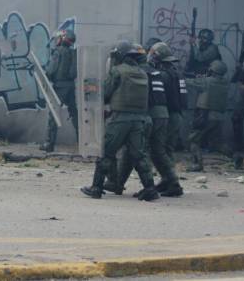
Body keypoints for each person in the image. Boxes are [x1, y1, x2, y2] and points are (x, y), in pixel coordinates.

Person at [80, 41, 159, 201]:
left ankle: (96, 187)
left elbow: (106, 93)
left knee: (106, 152)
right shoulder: (142, 73)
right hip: (139, 120)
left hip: (120, 119)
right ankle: (150, 188)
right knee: (139, 155)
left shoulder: (117, 71)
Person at [106, 43, 183, 197]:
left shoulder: (138, 71)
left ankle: (123, 184)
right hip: (164, 114)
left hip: (148, 114)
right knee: (155, 151)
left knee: (135, 150)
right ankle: (170, 182)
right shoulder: (159, 72)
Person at [185, 60, 230, 172]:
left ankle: (197, 164)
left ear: (213, 71)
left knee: (193, 139)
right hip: (218, 117)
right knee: (217, 143)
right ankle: (236, 157)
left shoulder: (206, 81)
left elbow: (189, 82)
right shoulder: (225, 82)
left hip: (205, 115)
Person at [41, 29, 78, 152]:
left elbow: (51, 70)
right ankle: (81, 141)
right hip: (70, 87)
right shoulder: (73, 53)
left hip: (59, 87)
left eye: (59, 38)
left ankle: (49, 144)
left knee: (53, 115)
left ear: (63, 38)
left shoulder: (58, 52)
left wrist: (45, 73)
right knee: (75, 114)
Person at [154, 42, 188, 169]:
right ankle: (170, 172)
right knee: (169, 147)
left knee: (160, 147)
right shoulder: (178, 74)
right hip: (178, 115)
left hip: (167, 115)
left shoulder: (162, 75)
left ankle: (168, 175)